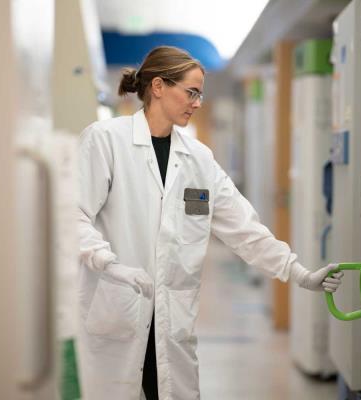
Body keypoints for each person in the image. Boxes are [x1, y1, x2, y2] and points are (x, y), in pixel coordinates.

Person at [76, 46, 343, 400]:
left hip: (172, 323)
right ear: (158, 86)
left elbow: (244, 229)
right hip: (117, 312)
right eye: (191, 92)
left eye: (200, 94)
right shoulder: (106, 140)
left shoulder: (199, 159)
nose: (198, 102)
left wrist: (299, 273)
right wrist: (110, 265)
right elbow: (74, 216)